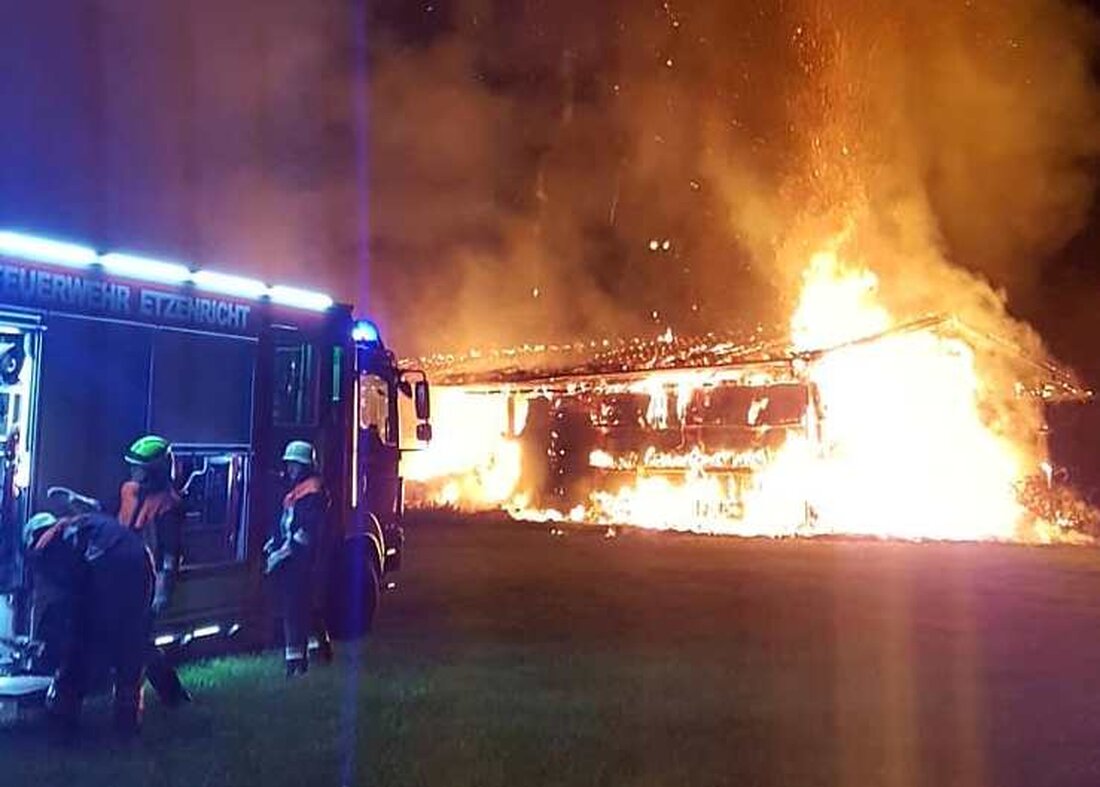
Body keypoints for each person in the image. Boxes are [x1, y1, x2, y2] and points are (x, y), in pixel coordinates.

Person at [25, 490, 154, 740]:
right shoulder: (83, 523)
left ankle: (62, 717)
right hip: (141, 562)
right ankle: (127, 723)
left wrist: (54, 641)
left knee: (80, 644)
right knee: (129, 646)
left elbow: (72, 591)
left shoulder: (51, 542)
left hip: (107, 567)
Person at [114, 434, 191, 705]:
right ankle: (170, 696)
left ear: (155, 472)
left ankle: (160, 697)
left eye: (139, 468)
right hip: (123, 575)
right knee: (135, 641)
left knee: (138, 642)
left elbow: (170, 554)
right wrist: (78, 502)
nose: (133, 472)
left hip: (146, 580)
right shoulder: (129, 492)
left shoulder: (168, 505)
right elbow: (111, 516)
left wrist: (162, 591)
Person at [264, 440, 333, 677]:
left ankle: (295, 665)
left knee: (294, 609)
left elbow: (306, 531)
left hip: (303, 561)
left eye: (295, 464)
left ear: (307, 466)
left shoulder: (313, 493)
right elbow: (286, 522)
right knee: (306, 608)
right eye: (289, 464)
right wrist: (273, 544)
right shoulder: (297, 491)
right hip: (293, 558)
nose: (290, 468)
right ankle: (321, 650)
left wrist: (282, 553)